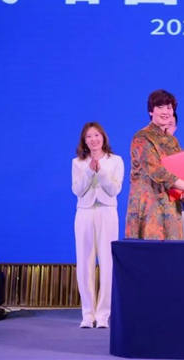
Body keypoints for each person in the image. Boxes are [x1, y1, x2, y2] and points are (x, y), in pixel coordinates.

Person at [125, 89, 184, 240]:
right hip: (149, 209)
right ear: (151, 111)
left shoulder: (172, 141)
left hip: (172, 208)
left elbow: (181, 172)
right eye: (160, 107)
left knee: (172, 251)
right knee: (150, 251)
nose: (165, 111)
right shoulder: (142, 138)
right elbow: (159, 173)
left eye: (169, 107)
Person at [72, 122, 123, 328]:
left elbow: (114, 189)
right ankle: (87, 314)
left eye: (96, 135)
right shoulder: (77, 163)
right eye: (89, 137)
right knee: (84, 262)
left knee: (107, 263)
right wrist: (88, 172)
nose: (93, 140)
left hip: (107, 212)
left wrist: (100, 172)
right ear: (84, 141)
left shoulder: (115, 160)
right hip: (85, 212)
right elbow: (77, 190)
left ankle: (103, 315)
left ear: (103, 137)